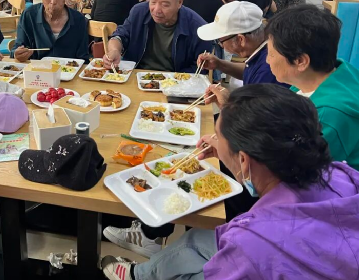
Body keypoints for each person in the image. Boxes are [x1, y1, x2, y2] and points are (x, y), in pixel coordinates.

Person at [102, 84, 359, 280]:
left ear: (244, 160)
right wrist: (226, 152)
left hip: (261, 254)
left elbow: (250, 250)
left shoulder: (249, 241)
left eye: (217, 135)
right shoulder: (339, 173)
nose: (213, 141)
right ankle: (141, 274)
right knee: (198, 238)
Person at [266, 5, 359, 170]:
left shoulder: (326, 116)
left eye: (271, 54)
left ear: (301, 61)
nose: (267, 60)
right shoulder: (339, 70)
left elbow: (300, 174)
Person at [104, 0, 211, 72]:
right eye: (153, 1)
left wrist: (174, 80)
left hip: (175, 82)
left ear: (179, 2)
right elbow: (120, 35)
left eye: (165, 5)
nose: (156, 10)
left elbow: (201, 68)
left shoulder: (197, 27)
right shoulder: (139, 12)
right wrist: (114, 50)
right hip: (135, 75)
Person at [197, 1, 287, 108]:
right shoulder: (263, 50)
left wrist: (228, 103)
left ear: (241, 40)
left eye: (220, 41)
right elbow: (249, 71)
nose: (221, 46)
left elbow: (255, 116)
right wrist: (219, 64)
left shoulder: (269, 69)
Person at [12, 0, 89, 62]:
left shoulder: (79, 20)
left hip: (69, 71)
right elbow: (17, 48)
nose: (53, 1)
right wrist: (17, 54)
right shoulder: (29, 15)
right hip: (37, 70)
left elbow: (83, 58)